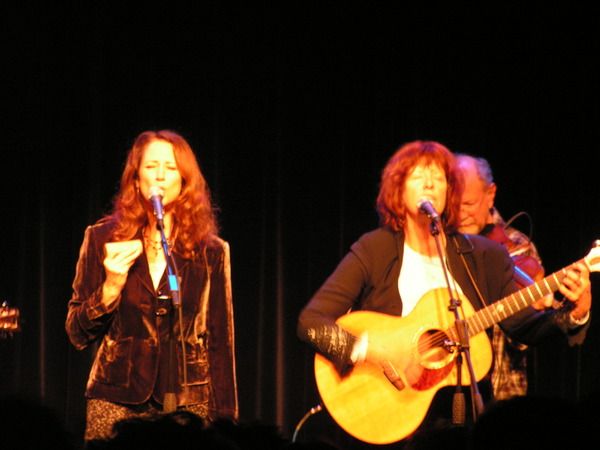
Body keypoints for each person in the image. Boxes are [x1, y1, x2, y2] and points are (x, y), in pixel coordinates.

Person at [296, 141, 591, 447]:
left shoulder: (484, 255)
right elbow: (311, 323)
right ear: (397, 191)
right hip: (389, 411)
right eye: (418, 176)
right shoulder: (375, 249)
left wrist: (576, 312)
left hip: (460, 422)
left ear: (450, 192)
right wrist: (375, 351)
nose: (429, 184)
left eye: (438, 178)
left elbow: (525, 326)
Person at [65, 130, 238, 443]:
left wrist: (226, 425)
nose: (160, 175)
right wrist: (111, 288)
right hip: (116, 398)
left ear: (184, 181)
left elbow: (220, 344)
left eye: (170, 168)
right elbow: (77, 333)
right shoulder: (102, 238)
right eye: (151, 166)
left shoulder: (211, 251)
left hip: (186, 402)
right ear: (135, 179)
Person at [456, 153, 591, 400]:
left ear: (490, 194)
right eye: (453, 204)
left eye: (468, 204)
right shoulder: (440, 242)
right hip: (441, 393)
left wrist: (576, 311)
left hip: (501, 396)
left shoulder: (518, 247)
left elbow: (529, 335)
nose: (459, 213)